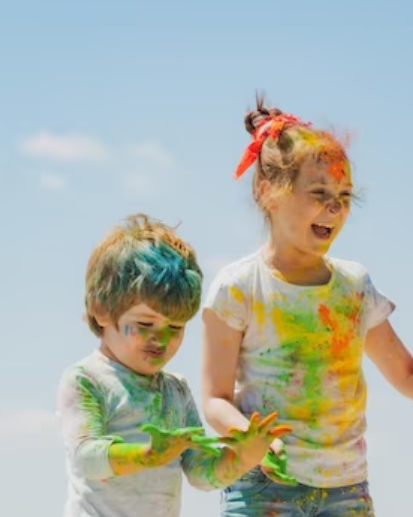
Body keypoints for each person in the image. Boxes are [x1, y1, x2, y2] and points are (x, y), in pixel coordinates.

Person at [202, 96, 413, 516]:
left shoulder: (353, 287)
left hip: (345, 490)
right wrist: (253, 439)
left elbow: (408, 373)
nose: (335, 207)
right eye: (319, 192)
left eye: (345, 195)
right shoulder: (239, 287)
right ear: (268, 192)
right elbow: (215, 399)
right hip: (263, 489)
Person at [57, 214, 288, 517]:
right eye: (145, 323)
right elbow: (86, 458)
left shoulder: (175, 391)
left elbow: (200, 473)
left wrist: (243, 458)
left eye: (176, 327)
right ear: (101, 311)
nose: (161, 339)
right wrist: (149, 454)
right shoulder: (86, 379)